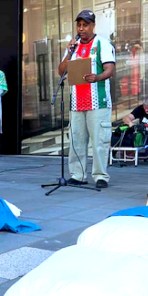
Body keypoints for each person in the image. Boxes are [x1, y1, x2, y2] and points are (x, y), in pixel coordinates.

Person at [59, 10, 116, 188]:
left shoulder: (102, 44)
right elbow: (61, 71)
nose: (82, 28)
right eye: (79, 25)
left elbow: (109, 69)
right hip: (77, 101)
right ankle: (78, 174)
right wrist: (69, 52)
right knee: (77, 139)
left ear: (93, 25)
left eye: (85, 25)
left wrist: (97, 77)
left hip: (98, 101)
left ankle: (100, 176)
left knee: (99, 140)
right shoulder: (73, 47)